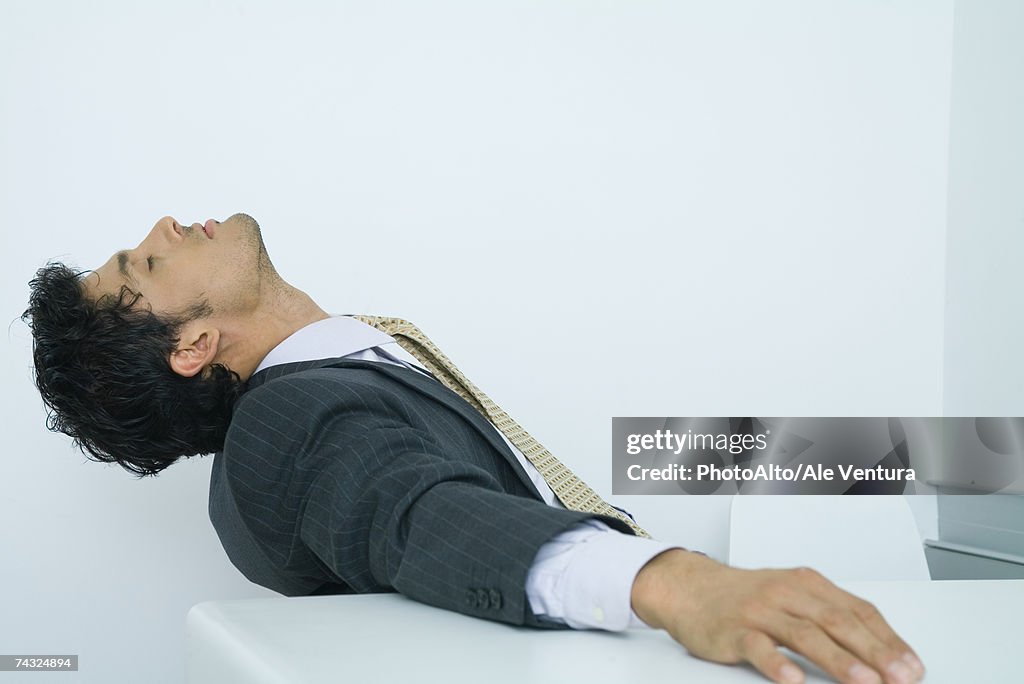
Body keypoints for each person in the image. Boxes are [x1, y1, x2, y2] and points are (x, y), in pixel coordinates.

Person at [24, 213, 925, 684]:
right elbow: (416, 517)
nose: (165, 226)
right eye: (144, 264)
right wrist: (674, 580)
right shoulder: (283, 429)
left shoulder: (341, 367)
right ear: (192, 348)